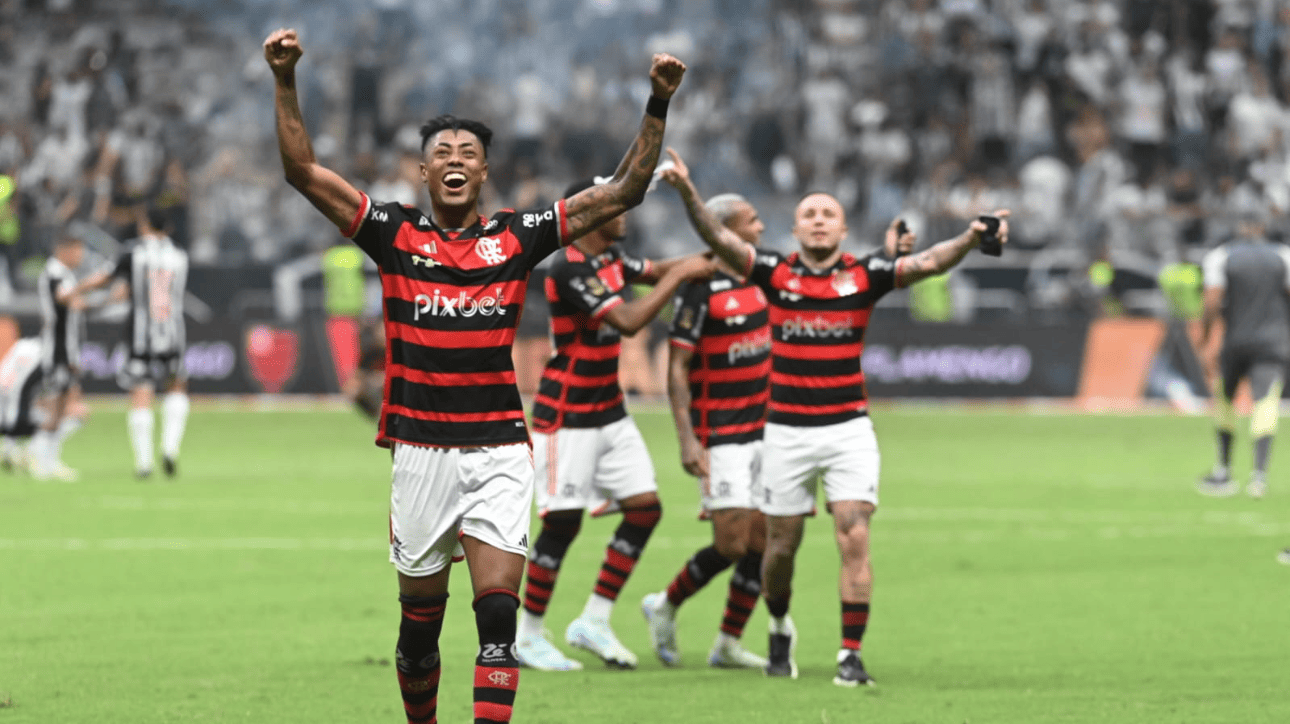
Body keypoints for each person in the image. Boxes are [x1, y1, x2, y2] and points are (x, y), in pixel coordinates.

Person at [263, 27, 685, 724]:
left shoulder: (518, 237)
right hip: (420, 450)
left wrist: (657, 103)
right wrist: (284, 80)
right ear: (423, 174)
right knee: (420, 630)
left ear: (484, 172)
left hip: (497, 449)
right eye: (442, 154)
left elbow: (622, 193)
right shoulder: (393, 234)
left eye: (469, 154)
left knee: (496, 619)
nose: (456, 161)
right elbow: (303, 172)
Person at [660, 147, 1008, 687]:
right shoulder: (773, 272)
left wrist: (970, 236)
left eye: (828, 214)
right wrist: (687, 190)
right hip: (786, 433)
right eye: (809, 214)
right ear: (794, 229)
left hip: (848, 430)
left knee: (853, 532)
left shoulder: (865, 274)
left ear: (843, 230)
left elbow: (931, 262)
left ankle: (850, 656)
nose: (819, 220)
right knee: (779, 548)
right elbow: (718, 237)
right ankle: (778, 624)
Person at [515, 177, 713, 672]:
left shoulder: (610, 260)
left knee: (645, 510)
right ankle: (528, 634)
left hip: (609, 410)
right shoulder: (568, 268)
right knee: (562, 523)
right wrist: (677, 278)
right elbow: (627, 320)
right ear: (590, 215)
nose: (625, 211)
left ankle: (594, 620)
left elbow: (658, 269)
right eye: (616, 204)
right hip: (567, 416)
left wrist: (707, 260)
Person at [638, 192, 772, 670]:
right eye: (752, 220)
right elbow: (677, 370)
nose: (760, 227)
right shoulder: (701, 287)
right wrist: (688, 438)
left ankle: (729, 643)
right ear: (727, 231)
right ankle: (665, 604)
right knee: (731, 544)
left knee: (764, 542)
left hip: (767, 433)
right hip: (722, 434)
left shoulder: (761, 274)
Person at [76, 203, 190, 478]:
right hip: (173, 333)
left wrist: (75, 290)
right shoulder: (180, 255)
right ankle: (170, 449)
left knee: (142, 393)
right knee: (176, 389)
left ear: (144, 225)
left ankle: (144, 463)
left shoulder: (133, 251)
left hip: (141, 336)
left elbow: (104, 278)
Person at [1196, 211, 1290, 500]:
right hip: (1274, 343)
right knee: (1266, 403)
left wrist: (1205, 339)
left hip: (1236, 341)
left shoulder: (1221, 256)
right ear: (1263, 227)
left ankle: (1223, 471)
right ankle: (1258, 477)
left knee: (1225, 401)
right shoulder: (1283, 256)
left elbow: (1211, 301)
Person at [32, 235, 91, 481]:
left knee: (64, 409)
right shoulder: (54, 273)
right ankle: (38, 457)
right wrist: (91, 285)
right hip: (57, 351)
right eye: (77, 251)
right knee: (57, 407)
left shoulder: (64, 275)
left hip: (67, 350)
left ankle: (47, 460)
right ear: (63, 249)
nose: (80, 256)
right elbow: (64, 298)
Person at [0, 337, 47, 472]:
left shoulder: (24, 346)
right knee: (15, 421)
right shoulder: (36, 351)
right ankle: (13, 453)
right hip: (10, 389)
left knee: (16, 421)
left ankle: (11, 452)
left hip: (9, 388)